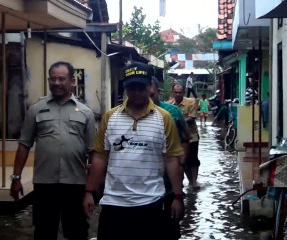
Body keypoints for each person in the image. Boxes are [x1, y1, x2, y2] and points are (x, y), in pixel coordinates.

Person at [83, 62, 185, 240]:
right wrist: (89, 192)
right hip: (113, 203)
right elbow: (99, 157)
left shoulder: (164, 118)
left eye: (141, 87)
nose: (137, 92)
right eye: (132, 87)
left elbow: (171, 160)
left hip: (151, 202)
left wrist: (177, 196)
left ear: (150, 87)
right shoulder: (110, 117)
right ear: (125, 88)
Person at [10, 61, 96, 240]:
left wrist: (91, 190)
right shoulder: (35, 110)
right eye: (53, 79)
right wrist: (16, 178)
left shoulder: (86, 112)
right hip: (44, 184)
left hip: (75, 184)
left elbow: (94, 152)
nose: (57, 83)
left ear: (72, 81)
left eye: (62, 79)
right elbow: (24, 144)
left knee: (77, 231)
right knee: (43, 231)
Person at [150, 77, 189, 240]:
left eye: (152, 93)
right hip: (146, 184)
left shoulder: (171, 112)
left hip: (169, 182)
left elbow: (186, 137)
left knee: (170, 227)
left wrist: (180, 163)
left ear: (158, 92)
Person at [167, 83, 200, 189]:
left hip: (191, 136)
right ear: (172, 92)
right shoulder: (168, 105)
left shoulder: (191, 102)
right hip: (176, 137)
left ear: (184, 92)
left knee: (193, 160)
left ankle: (194, 182)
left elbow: (192, 118)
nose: (177, 94)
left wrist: (177, 120)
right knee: (182, 160)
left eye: (180, 92)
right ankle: (187, 181)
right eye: (175, 92)